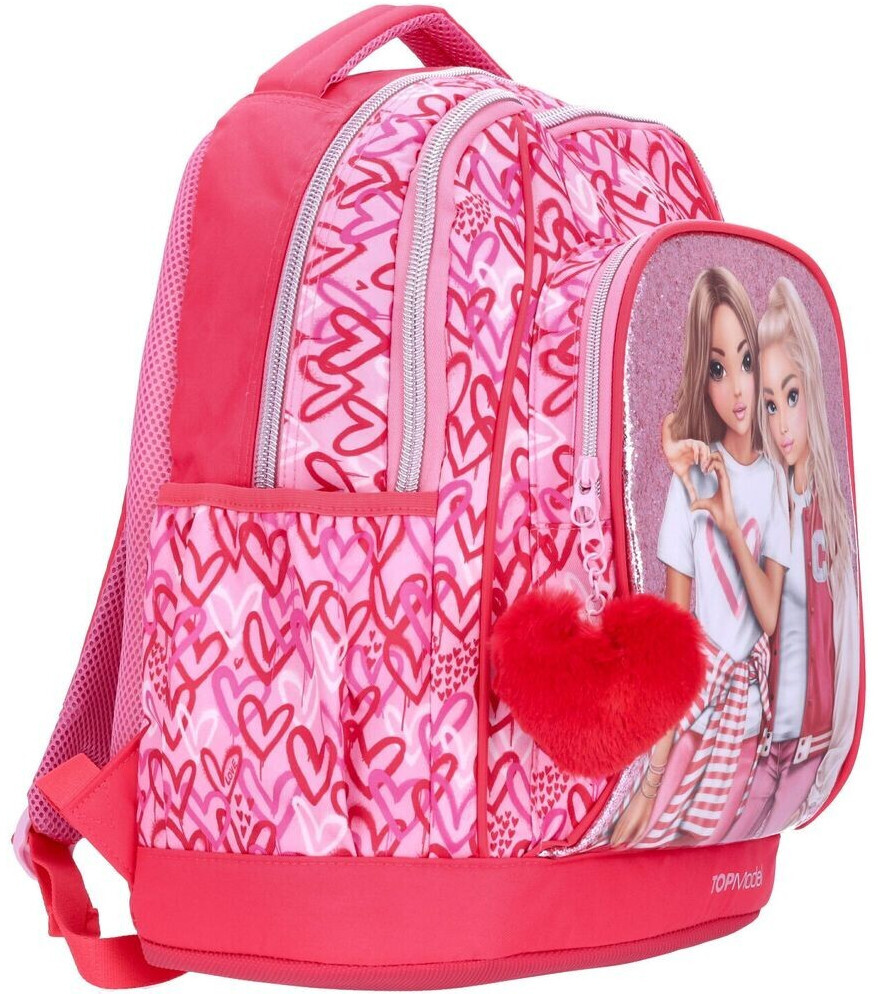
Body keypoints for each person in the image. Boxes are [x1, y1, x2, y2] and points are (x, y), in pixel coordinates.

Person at [609, 267, 790, 848]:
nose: (737, 389)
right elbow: (675, 637)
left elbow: (769, 616)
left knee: (708, 846)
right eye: (718, 369)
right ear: (701, 378)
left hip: (745, 719)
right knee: (653, 839)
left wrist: (731, 524)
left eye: (745, 362)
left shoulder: (776, 484)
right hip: (688, 710)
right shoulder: (689, 475)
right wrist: (650, 780)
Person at [721, 277, 859, 840]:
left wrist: (835, 749)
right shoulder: (773, 503)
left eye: (792, 397)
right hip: (768, 741)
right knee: (733, 827)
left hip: (812, 741)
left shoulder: (830, 513)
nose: (781, 425)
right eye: (770, 404)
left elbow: (845, 634)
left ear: (814, 392)